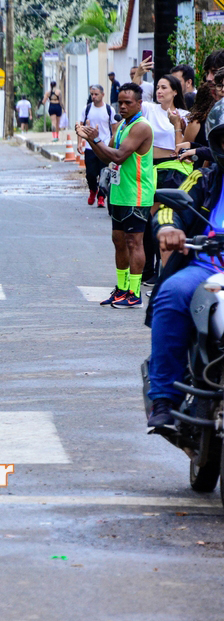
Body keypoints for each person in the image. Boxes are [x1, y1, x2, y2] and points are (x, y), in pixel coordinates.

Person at [148, 101, 224, 426]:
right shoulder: (204, 177)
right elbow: (171, 208)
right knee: (172, 293)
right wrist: (169, 228)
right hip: (208, 270)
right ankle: (164, 398)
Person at [76, 82, 153, 309]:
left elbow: (119, 156)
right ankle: (122, 288)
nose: (123, 106)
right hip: (119, 193)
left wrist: (96, 140)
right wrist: (90, 139)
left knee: (134, 242)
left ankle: (135, 292)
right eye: (120, 102)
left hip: (136, 194)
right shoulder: (121, 126)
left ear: (139, 104)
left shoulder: (141, 127)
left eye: (128, 102)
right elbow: (106, 156)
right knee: (118, 241)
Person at [141, 74, 191, 284]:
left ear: (175, 91)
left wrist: (177, 124)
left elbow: (182, 149)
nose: (159, 91)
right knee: (148, 220)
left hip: (172, 171)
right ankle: (150, 269)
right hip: (149, 169)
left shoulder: (185, 115)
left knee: (162, 219)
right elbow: (131, 95)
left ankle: (162, 270)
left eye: (164, 88)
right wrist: (138, 74)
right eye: (157, 88)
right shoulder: (149, 109)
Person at [78, 85, 114, 207]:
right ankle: (93, 190)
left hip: (104, 146)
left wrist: (113, 145)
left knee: (103, 173)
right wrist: (79, 143)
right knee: (90, 174)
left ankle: (101, 197)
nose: (93, 97)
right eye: (92, 94)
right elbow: (80, 127)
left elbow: (114, 129)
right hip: (90, 146)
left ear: (103, 95)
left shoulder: (109, 109)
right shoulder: (87, 109)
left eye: (96, 94)